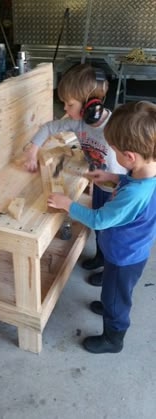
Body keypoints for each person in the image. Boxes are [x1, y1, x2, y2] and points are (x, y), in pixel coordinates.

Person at [47, 101, 156, 354]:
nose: (113, 156)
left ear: (129, 156)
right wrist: (113, 177)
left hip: (123, 255)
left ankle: (113, 338)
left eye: (115, 151)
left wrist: (68, 204)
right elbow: (132, 179)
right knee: (112, 291)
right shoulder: (146, 171)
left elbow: (99, 220)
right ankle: (110, 305)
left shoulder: (135, 194)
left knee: (116, 299)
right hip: (127, 249)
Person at [23, 63, 126, 286]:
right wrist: (32, 150)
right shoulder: (76, 122)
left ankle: (110, 269)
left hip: (119, 191)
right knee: (101, 233)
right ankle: (100, 256)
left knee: (113, 234)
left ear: (92, 106)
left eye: (69, 104)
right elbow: (49, 128)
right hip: (100, 186)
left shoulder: (116, 127)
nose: (65, 110)